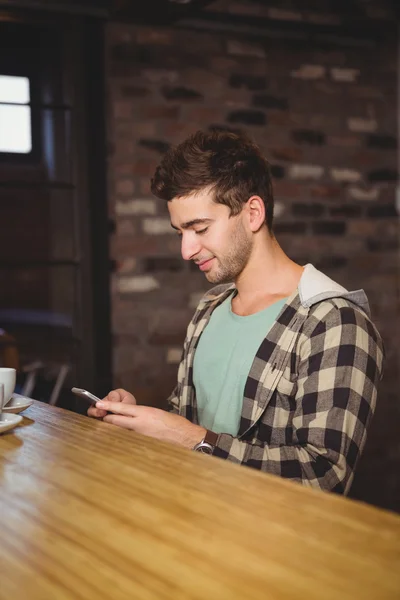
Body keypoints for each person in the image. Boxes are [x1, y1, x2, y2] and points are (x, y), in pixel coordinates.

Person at [89, 129, 384, 494]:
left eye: (199, 228)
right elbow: (189, 422)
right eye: (179, 232)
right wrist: (142, 419)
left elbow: (323, 476)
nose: (186, 250)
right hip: (190, 522)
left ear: (253, 213)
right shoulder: (209, 309)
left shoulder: (335, 322)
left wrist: (191, 438)